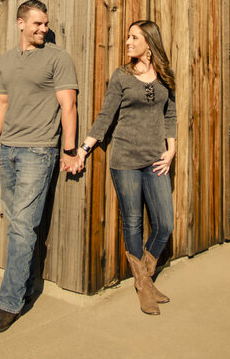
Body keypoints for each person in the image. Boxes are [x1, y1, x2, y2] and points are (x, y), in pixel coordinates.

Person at [0, 0, 82, 335]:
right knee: (17, 224)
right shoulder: (9, 59)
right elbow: (0, 102)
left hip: (38, 152)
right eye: (37, 23)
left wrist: (69, 150)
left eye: (46, 23)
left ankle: (9, 302)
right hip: (9, 150)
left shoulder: (58, 58)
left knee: (23, 226)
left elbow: (69, 106)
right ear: (21, 23)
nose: (43, 29)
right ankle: (21, 287)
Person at [77, 19, 176, 315]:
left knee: (165, 224)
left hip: (156, 159)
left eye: (134, 37)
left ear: (149, 43)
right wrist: (84, 149)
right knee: (131, 221)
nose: (128, 42)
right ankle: (143, 286)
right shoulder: (121, 75)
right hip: (124, 160)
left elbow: (170, 114)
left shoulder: (164, 78)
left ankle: (143, 276)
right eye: (128, 37)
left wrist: (171, 150)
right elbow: (106, 116)